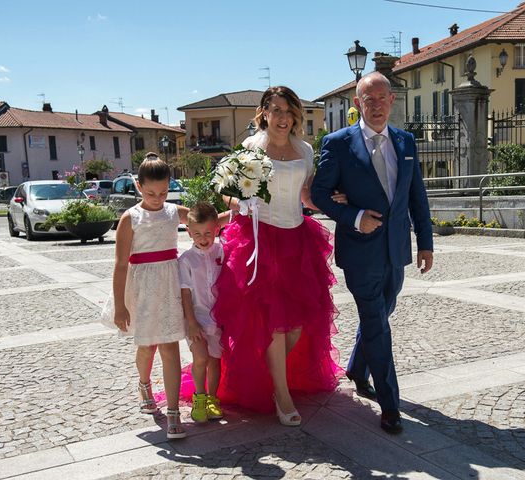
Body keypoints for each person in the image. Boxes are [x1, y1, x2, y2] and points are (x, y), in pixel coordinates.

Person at [212, 85, 345, 426]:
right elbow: (228, 196)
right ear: (264, 114)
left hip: (297, 240)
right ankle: (281, 396)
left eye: (289, 111)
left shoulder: (305, 149)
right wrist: (243, 200)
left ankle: (265, 375)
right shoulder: (250, 149)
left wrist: (335, 202)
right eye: (277, 110)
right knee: (274, 324)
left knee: (299, 324)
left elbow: (306, 196)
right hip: (260, 240)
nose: (283, 118)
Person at [311, 72, 434, 435]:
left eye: (382, 98)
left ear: (392, 100)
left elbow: (416, 197)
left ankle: (356, 368)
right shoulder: (338, 143)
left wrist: (425, 242)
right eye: (369, 99)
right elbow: (319, 194)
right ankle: (390, 404)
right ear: (357, 104)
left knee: (383, 313)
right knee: (377, 324)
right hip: (360, 252)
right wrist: (355, 216)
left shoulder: (406, 141)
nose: (376, 105)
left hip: (396, 250)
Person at [102, 153, 191, 440]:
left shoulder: (174, 211)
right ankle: (144, 384)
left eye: (164, 192)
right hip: (141, 288)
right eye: (151, 192)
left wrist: (238, 210)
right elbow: (120, 264)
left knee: (170, 346)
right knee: (147, 346)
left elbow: (207, 219)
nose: (158, 197)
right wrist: (119, 307)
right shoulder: (130, 218)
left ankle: (174, 411)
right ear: (139, 187)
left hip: (168, 285)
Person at [177, 202, 224, 423]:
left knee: (215, 359)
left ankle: (213, 398)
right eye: (197, 234)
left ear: (216, 229)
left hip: (218, 319)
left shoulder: (222, 251)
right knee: (201, 357)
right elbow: (185, 294)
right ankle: (200, 396)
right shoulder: (186, 260)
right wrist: (191, 321)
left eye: (207, 233)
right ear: (189, 232)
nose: (203, 239)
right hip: (195, 318)